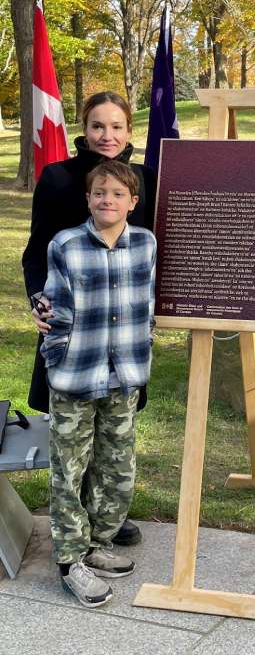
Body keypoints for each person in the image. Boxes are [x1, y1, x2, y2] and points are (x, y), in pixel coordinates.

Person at [22, 90, 156, 547]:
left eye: (117, 126)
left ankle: (107, 517)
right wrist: (41, 304)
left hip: (119, 328)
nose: (107, 135)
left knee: (115, 429)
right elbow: (36, 250)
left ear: (128, 131)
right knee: (74, 428)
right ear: (84, 128)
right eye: (98, 125)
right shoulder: (58, 178)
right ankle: (75, 521)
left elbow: (155, 248)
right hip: (74, 327)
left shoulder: (146, 179)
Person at [41, 160, 156, 608]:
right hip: (76, 373)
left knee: (117, 465)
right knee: (69, 469)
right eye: (99, 193)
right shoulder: (66, 244)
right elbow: (53, 304)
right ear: (88, 199)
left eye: (117, 193)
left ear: (133, 201)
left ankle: (97, 542)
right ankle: (70, 560)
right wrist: (55, 345)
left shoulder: (145, 244)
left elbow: (146, 301)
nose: (107, 200)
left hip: (124, 373)